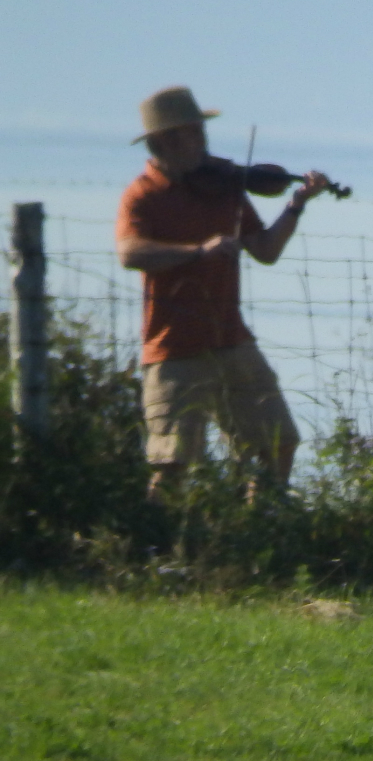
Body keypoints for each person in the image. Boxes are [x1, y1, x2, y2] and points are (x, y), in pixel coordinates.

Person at [115, 86, 331, 498]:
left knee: (279, 441)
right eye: (189, 134)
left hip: (232, 340)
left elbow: (265, 250)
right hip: (174, 348)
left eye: (199, 132)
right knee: (172, 461)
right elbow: (129, 252)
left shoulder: (224, 189)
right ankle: (156, 548)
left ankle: (259, 527)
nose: (199, 142)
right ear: (163, 141)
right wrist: (199, 252)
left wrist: (296, 204)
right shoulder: (142, 196)